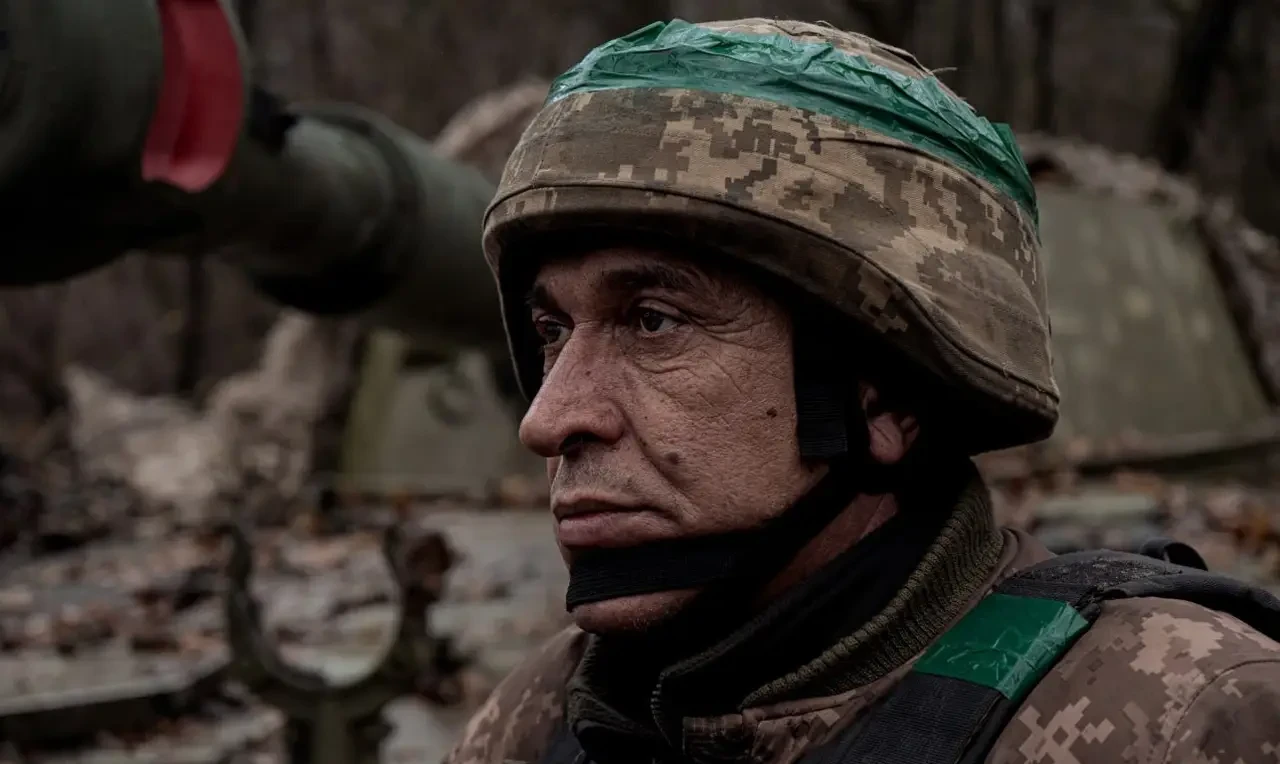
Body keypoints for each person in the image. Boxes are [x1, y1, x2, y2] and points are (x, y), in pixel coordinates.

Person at [441, 18, 1280, 764]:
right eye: (553, 330)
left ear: (883, 393)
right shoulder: (542, 719)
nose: (548, 419)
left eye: (654, 321)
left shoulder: (1181, 716)